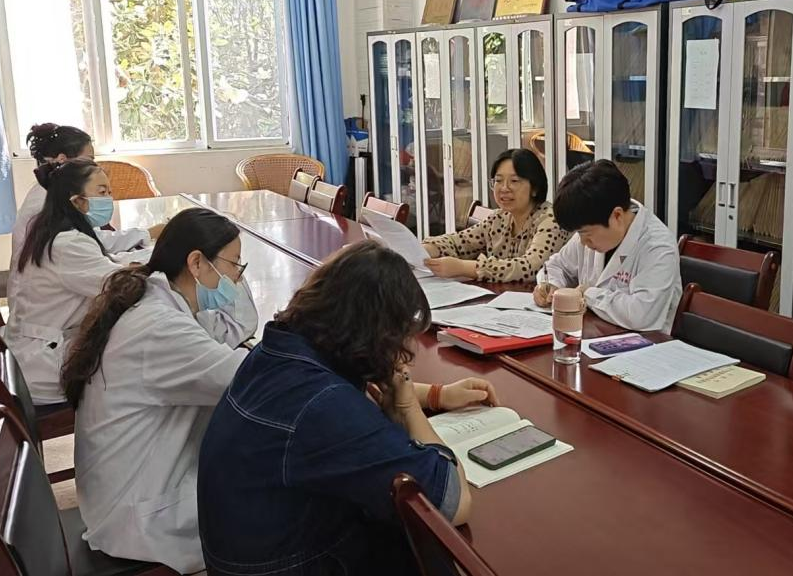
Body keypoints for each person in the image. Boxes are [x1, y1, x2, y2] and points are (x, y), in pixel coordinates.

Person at [198, 241, 496, 575]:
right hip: (290, 565)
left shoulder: (278, 351)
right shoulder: (324, 405)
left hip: (250, 555)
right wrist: (408, 407)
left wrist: (435, 395)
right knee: (430, 548)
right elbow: (453, 502)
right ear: (374, 332)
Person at [62, 207, 257, 574]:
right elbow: (248, 382)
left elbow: (227, 335)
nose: (237, 277)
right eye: (234, 265)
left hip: (127, 490)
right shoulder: (160, 327)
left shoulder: (155, 300)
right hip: (137, 517)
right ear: (196, 263)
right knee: (283, 496)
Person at [6, 159, 153, 403]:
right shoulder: (68, 243)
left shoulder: (54, 228)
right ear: (77, 201)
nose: (109, 199)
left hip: (40, 342)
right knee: (146, 361)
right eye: (102, 192)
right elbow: (120, 287)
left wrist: (136, 265)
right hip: (44, 361)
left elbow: (101, 266)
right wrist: (159, 266)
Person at [9, 123, 161, 302]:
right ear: (63, 160)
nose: (93, 165)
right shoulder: (51, 216)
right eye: (89, 159)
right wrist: (151, 259)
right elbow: (114, 281)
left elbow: (93, 245)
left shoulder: (57, 202)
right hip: (51, 310)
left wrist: (143, 248)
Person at [534, 160, 681, 332]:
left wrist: (587, 294)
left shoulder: (657, 246)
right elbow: (556, 265)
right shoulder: (593, 225)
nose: (582, 242)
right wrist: (551, 286)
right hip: (593, 332)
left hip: (643, 342)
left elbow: (641, 315)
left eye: (585, 233)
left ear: (617, 216)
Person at [421, 148, 569, 282]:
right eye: (498, 181)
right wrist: (426, 250)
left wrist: (464, 268)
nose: (504, 188)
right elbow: (460, 242)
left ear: (535, 188)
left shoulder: (551, 219)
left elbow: (531, 268)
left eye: (514, 181)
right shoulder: (499, 217)